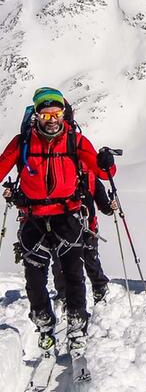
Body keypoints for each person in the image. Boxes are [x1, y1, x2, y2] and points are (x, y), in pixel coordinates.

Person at [0, 87, 117, 354]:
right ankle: (43, 323)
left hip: (67, 217)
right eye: (46, 114)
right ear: (36, 116)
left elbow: (101, 171)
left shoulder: (75, 141)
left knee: (74, 274)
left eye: (57, 113)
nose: (52, 119)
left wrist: (107, 162)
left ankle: (77, 327)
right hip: (33, 219)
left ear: (63, 114)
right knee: (34, 279)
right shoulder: (22, 143)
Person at [52, 170, 113, 307]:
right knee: (61, 263)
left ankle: (99, 289)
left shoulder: (90, 177)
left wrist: (110, 208)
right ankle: (64, 296)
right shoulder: (59, 172)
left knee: (90, 259)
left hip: (87, 227)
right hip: (64, 228)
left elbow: (103, 202)